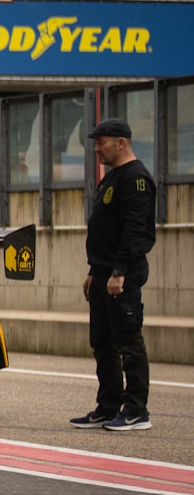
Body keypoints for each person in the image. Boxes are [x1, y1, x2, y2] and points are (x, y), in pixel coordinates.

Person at [70, 118, 157, 431]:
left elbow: (134, 231)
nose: (96, 148)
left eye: (101, 142)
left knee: (128, 341)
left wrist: (119, 272)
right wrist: (95, 271)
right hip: (103, 272)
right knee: (103, 342)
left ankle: (136, 410)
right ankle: (108, 407)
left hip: (123, 274)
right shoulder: (112, 178)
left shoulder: (135, 179)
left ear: (121, 143)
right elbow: (105, 231)